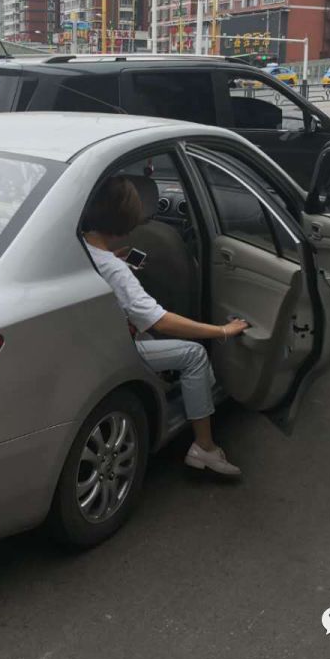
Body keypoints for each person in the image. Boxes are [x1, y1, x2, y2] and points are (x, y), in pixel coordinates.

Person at [82, 176, 249, 477]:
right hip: (116, 349)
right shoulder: (115, 269)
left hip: (91, 339)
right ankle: (205, 448)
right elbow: (160, 321)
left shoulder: (84, 248)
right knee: (194, 354)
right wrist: (222, 331)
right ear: (124, 221)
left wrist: (116, 262)